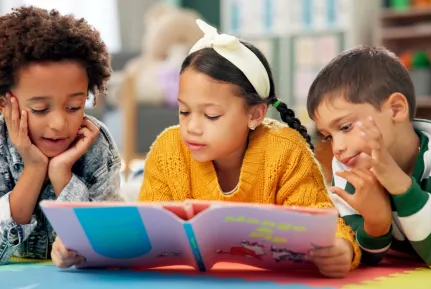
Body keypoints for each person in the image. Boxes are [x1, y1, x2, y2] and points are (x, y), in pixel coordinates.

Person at [139, 19, 360, 278]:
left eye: (211, 115)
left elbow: (322, 217)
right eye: (184, 111)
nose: (192, 127)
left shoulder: (286, 151)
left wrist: (341, 248)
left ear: (255, 114)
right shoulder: (168, 149)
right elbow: (147, 226)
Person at [0, 6, 122, 267]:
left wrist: (62, 175)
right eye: (40, 109)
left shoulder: (95, 141)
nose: (58, 124)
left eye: (74, 107)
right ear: (3, 104)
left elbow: (113, 242)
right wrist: (34, 168)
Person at [307, 45, 431, 270]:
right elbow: (364, 257)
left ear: (396, 109)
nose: (337, 148)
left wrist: (399, 185)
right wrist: (376, 223)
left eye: (346, 127)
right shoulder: (346, 165)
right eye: (328, 136)